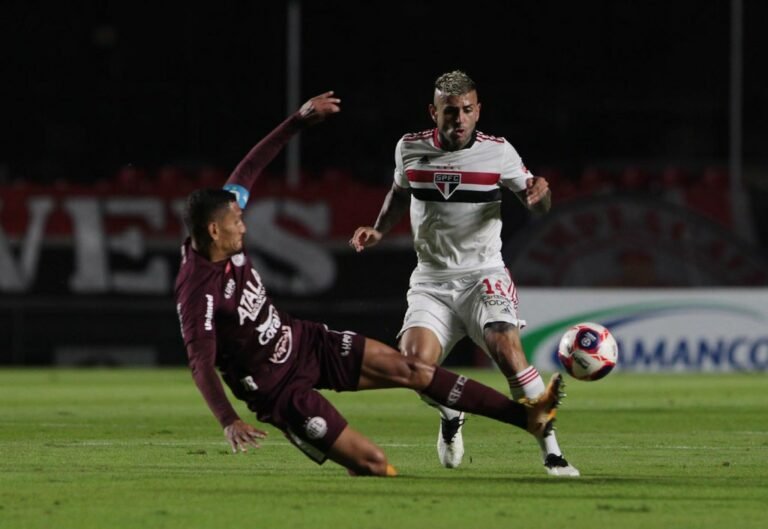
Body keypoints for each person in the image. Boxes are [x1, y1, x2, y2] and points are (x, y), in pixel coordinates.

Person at [174, 91, 567, 477]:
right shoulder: (198, 290)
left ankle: (530, 421)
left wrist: (297, 120)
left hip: (305, 343)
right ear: (213, 230)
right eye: (235, 222)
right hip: (277, 390)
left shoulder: (220, 228)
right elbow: (200, 363)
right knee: (374, 464)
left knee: (412, 368)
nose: (243, 225)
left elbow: (249, 168)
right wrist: (228, 419)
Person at [349, 70, 579, 476]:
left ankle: (552, 452)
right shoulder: (409, 148)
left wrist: (541, 197)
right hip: (431, 281)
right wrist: (379, 228)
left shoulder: (499, 153)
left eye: (467, 110)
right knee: (413, 369)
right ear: (433, 112)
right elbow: (400, 191)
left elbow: (535, 199)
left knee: (506, 349)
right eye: (450, 111)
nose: (459, 119)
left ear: (478, 111)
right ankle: (451, 411)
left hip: (483, 275)